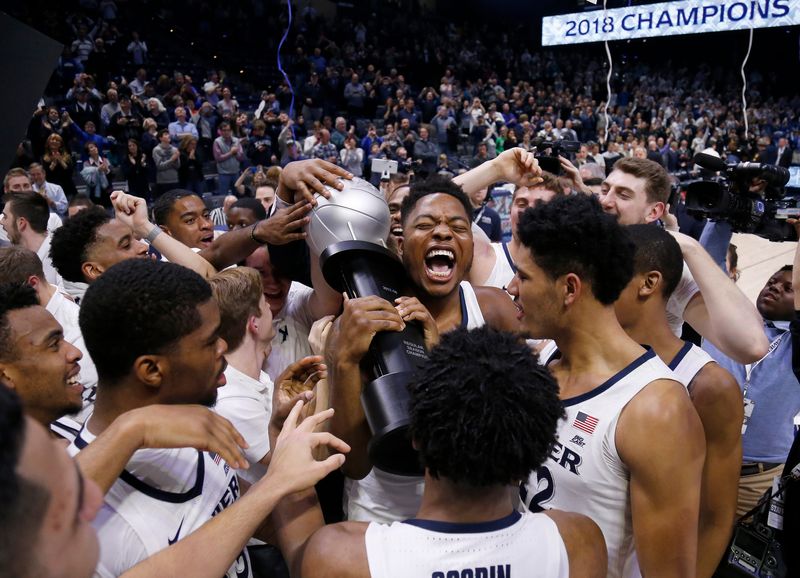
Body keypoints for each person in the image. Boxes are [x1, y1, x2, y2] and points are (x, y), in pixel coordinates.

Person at [280, 326, 608, 578]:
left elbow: (302, 554)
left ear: (417, 436)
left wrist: (281, 433)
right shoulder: (578, 541)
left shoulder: (344, 556)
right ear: (534, 454)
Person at [509, 194, 705, 577]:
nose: (512, 288)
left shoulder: (655, 410)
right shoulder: (545, 358)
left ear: (569, 289)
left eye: (524, 276)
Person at [0, 366, 349, 578]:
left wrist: (280, 444)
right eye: (209, 342)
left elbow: (252, 518)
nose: (92, 492)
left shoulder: (177, 428)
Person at [613, 225, 743, 577]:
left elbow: (714, 518)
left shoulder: (708, 385)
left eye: (608, 271)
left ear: (648, 283)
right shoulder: (574, 355)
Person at [598, 157, 769, 364]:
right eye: (605, 189)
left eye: (623, 195)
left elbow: (751, 346)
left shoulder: (663, 269)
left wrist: (690, 247)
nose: (605, 201)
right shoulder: (582, 245)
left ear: (654, 212)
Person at [702, 222, 800, 516]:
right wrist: (721, 217)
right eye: (773, 281)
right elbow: (707, 264)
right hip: (697, 461)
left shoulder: (796, 348)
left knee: (740, 559)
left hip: (757, 478)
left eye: (789, 288)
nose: (775, 287)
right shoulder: (728, 318)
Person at [1, 191, 62, 287]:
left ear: (21, 223)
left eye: (5, 217)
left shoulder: (61, 255)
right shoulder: (15, 260)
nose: (1, 222)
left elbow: (73, 300)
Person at [213, 121, 245, 196]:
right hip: (223, 173)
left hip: (236, 172)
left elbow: (241, 157)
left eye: (228, 130)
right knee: (223, 196)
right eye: (224, 130)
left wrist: (236, 153)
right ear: (220, 131)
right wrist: (231, 153)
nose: (226, 132)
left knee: (237, 195)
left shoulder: (236, 140)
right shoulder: (217, 142)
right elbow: (218, 158)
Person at [152, 128, 180, 198]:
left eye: (168, 134)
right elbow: (160, 166)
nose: (168, 136)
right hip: (162, 181)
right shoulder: (156, 150)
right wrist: (172, 159)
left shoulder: (174, 149)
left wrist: (175, 160)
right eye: (166, 134)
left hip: (174, 179)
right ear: (160, 138)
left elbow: (178, 166)